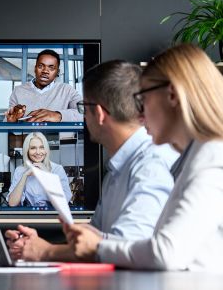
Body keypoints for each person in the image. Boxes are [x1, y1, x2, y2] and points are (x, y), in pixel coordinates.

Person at [65, 44, 223, 272]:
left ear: (171, 95)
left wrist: (98, 247)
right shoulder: (194, 157)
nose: (139, 112)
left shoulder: (212, 159)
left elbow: (166, 253)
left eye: (143, 97)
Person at [5, 60, 177, 262]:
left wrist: (45, 252)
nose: (83, 116)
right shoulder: (118, 168)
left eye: (83, 108)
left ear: (99, 114)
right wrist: (36, 246)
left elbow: (129, 249)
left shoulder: (150, 165)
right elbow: (97, 241)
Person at [4, 49, 82, 122]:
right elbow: (7, 120)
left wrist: (58, 115)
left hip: (59, 137)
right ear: (35, 69)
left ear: (57, 72)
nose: (45, 71)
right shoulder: (18, 91)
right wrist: (11, 121)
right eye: (40, 66)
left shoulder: (67, 90)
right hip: (27, 136)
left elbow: (86, 113)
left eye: (51, 68)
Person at [7, 132, 73, 208]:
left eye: (42, 147)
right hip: (31, 215)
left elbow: (63, 201)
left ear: (46, 149)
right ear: (27, 151)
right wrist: (24, 176)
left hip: (54, 214)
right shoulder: (20, 170)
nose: (38, 152)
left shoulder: (57, 169)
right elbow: (12, 203)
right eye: (33, 148)